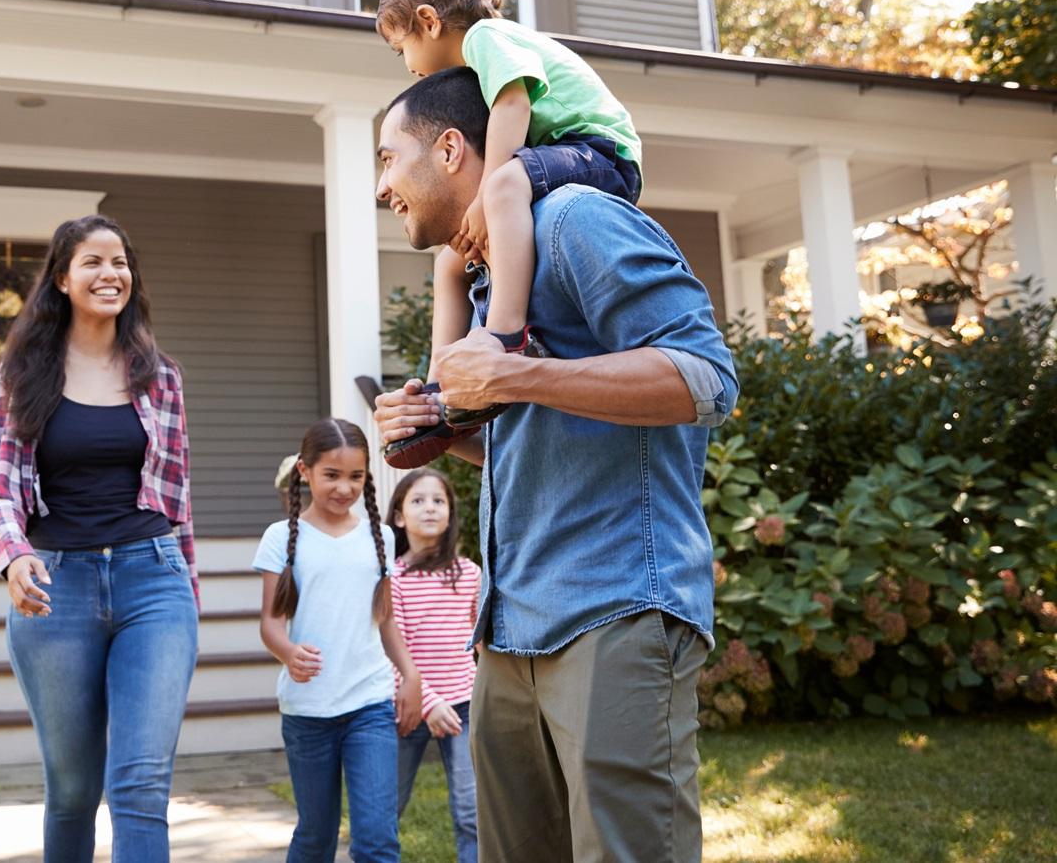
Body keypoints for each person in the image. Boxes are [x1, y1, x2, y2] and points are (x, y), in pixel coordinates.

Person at [372, 68, 739, 863]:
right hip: (506, 633)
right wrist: (437, 430)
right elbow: (530, 434)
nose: (381, 187)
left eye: (388, 159)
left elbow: (707, 378)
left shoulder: (576, 220)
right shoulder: (488, 275)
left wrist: (518, 375)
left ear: (447, 148)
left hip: (613, 611)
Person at [374, 0, 644, 468]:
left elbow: (514, 106)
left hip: (601, 149)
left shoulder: (487, 38)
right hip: (570, 153)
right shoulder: (482, 58)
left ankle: (504, 334)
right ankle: (438, 392)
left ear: (428, 22)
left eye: (400, 47)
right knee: (451, 259)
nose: (407, 66)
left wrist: (486, 193)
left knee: (504, 185)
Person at [0, 214, 198, 863]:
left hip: (152, 581)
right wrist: (13, 556)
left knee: (140, 783)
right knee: (73, 792)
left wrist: (188, 595)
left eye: (121, 262)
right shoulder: (22, 374)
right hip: (57, 590)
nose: (111, 274)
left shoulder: (161, 377)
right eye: (94, 262)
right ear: (63, 279)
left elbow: (180, 501)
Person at [254, 418, 422, 863]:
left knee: (377, 839)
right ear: (304, 471)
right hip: (308, 712)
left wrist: (410, 676)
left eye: (355, 476)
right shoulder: (280, 538)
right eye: (332, 474)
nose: (344, 487)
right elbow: (270, 624)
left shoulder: (381, 536)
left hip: (369, 704)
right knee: (315, 836)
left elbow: (384, 621)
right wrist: (288, 652)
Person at [387, 468, 481, 863]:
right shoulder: (392, 578)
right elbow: (392, 652)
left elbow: (481, 645)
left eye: (438, 501)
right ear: (398, 516)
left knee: (472, 811)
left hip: (464, 707)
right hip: (408, 708)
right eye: (418, 501)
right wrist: (428, 703)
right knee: (386, 807)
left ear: (450, 513)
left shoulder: (470, 574)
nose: (430, 508)